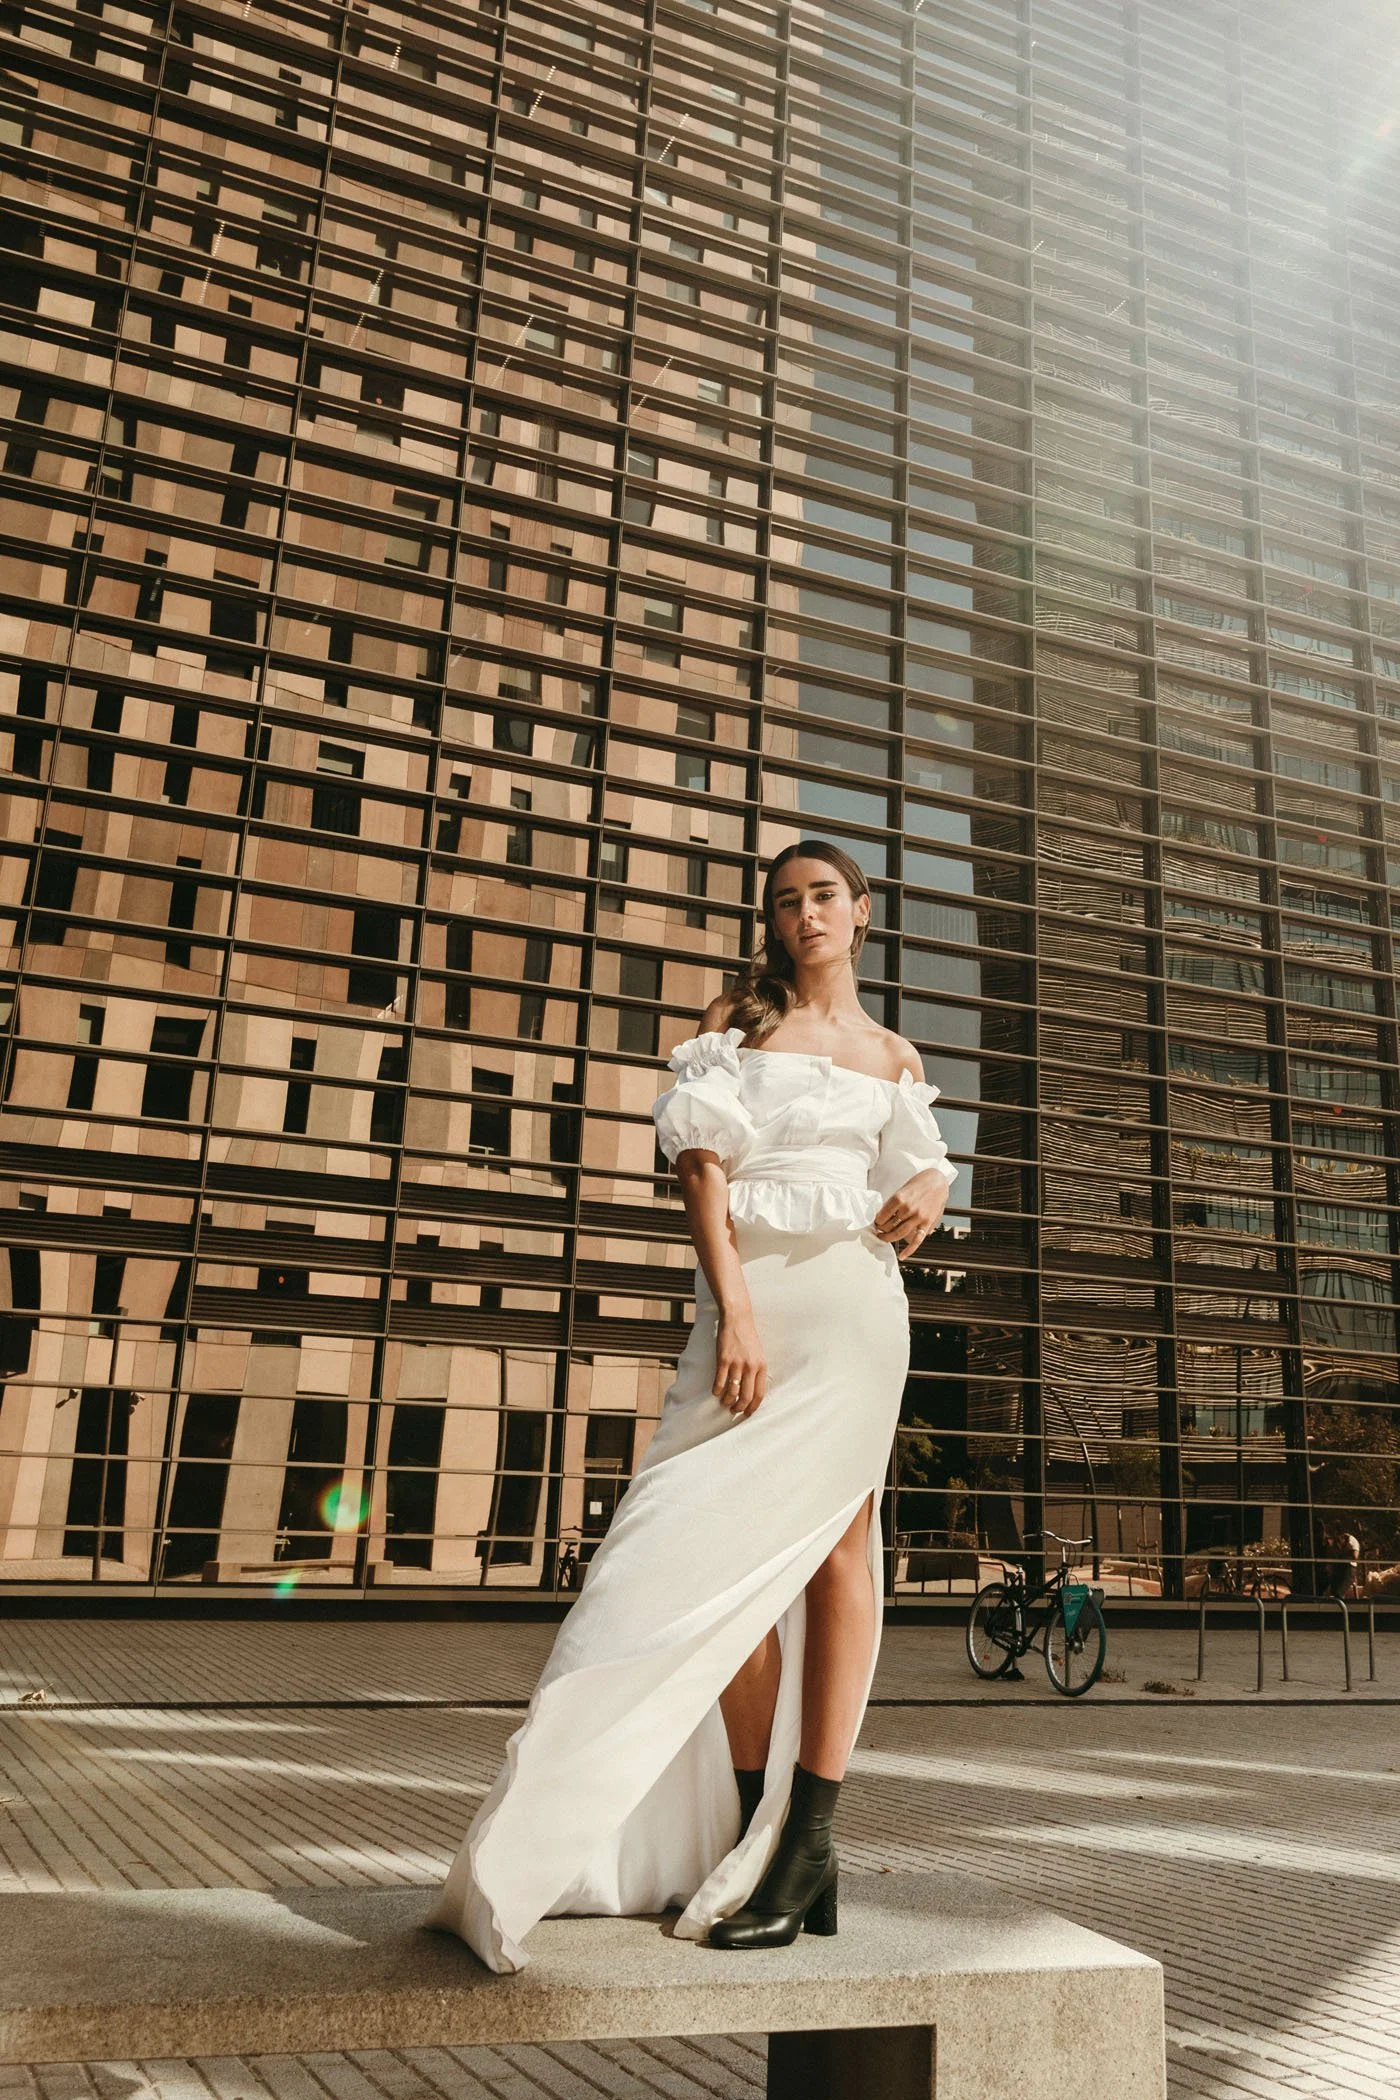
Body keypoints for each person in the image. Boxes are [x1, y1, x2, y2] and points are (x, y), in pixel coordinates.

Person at [426, 838, 958, 1972]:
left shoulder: (893, 1054)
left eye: (823, 897)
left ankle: (806, 1843)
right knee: (678, 1561)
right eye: (784, 902)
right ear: (770, 922)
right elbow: (700, 1173)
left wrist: (934, 1179)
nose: (803, 914)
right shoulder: (736, 1025)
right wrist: (738, 1317)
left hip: (859, 1311)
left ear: (861, 914)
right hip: (752, 1310)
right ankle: (753, 1827)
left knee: (838, 1556)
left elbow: (914, 1177)